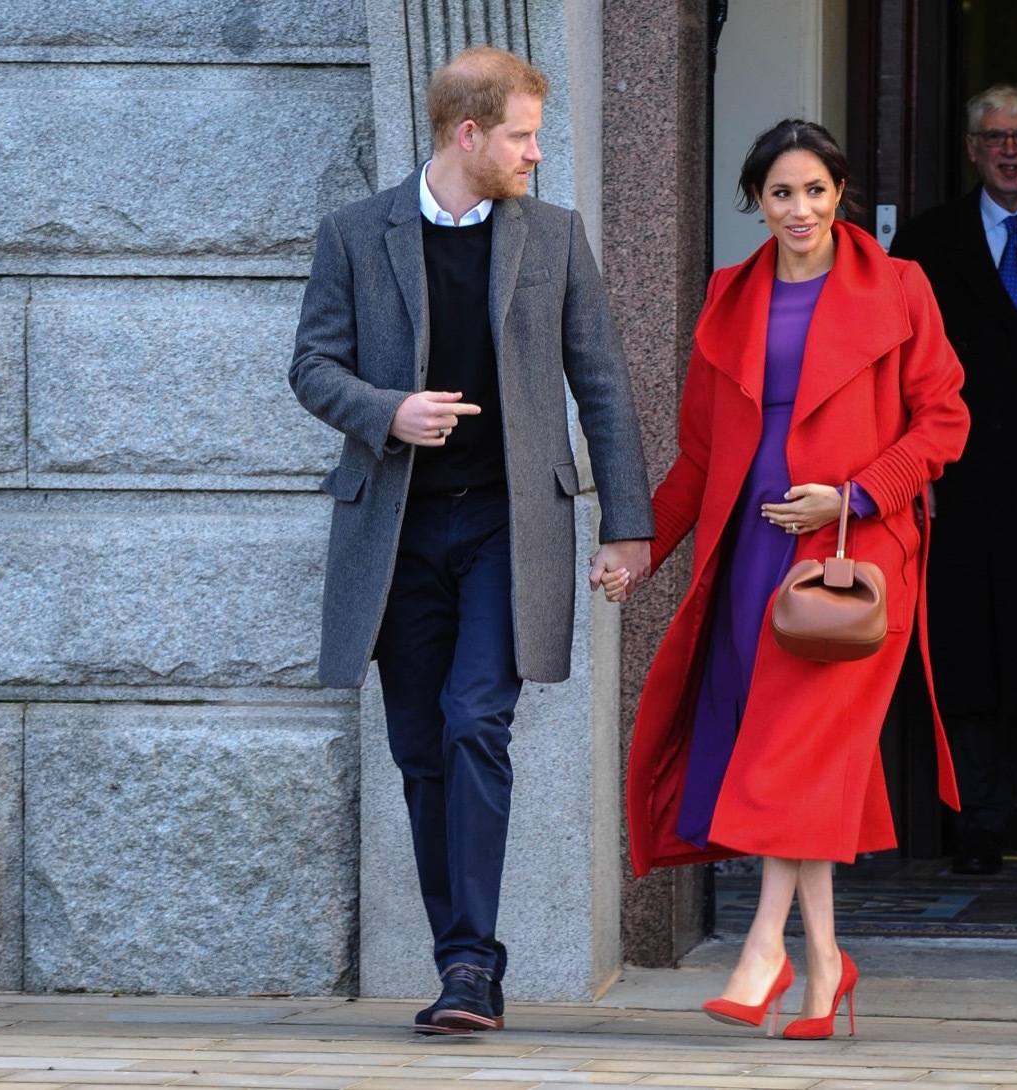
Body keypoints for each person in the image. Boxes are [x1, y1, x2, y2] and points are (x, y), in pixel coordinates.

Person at [288, 46, 654, 1034]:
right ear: (469, 134)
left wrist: (627, 525)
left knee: (473, 718)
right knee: (419, 749)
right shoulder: (356, 235)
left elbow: (604, 386)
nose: (536, 153)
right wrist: (386, 409)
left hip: (507, 524)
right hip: (399, 532)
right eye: (524, 136)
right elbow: (311, 366)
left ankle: (470, 964)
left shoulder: (556, 238)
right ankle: (461, 959)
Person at [612, 120, 969, 1040]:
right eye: (781, 193)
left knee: (793, 747)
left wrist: (853, 496)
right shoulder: (729, 297)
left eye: (816, 190)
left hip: (857, 566)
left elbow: (944, 423)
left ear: (841, 192)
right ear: (757, 202)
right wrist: (640, 547)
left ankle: (763, 947)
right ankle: (826, 965)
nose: (800, 209)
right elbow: (698, 457)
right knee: (800, 756)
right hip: (754, 563)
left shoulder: (899, 286)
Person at [890, 84, 1017, 876]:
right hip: (957, 480)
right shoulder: (926, 241)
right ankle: (975, 822)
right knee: (965, 650)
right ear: (971, 149)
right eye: (994, 137)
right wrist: (909, 465)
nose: (1009, 149)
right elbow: (898, 364)